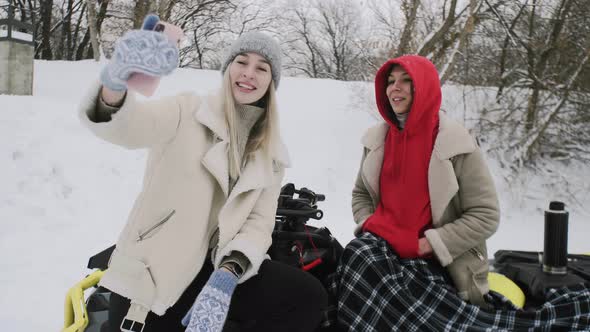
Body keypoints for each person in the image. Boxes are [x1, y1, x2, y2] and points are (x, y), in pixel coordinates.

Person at [78, 18, 328, 332]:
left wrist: (228, 273)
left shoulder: (271, 153)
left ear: (271, 82)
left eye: (262, 68)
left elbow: (258, 224)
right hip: (156, 274)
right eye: (242, 62)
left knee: (307, 296)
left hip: (216, 273)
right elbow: (127, 127)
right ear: (228, 69)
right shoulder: (188, 110)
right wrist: (114, 83)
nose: (249, 73)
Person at [330, 55, 590, 331]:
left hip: (435, 264)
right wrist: (371, 224)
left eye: (407, 81)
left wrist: (429, 244)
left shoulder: (455, 144)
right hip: (382, 252)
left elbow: (486, 215)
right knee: (356, 256)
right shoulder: (376, 141)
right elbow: (360, 195)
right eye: (391, 81)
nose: (396, 88)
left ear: (426, 87)